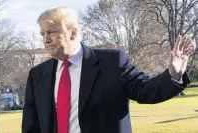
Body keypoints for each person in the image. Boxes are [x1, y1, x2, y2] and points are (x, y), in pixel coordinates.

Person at [22, 6, 195, 133]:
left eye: (51, 32)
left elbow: (145, 91)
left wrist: (173, 74)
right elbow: (32, 124)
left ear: (73, 33)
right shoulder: (38, 74)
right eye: (43, 34)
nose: (46, 39)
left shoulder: (111, 62)